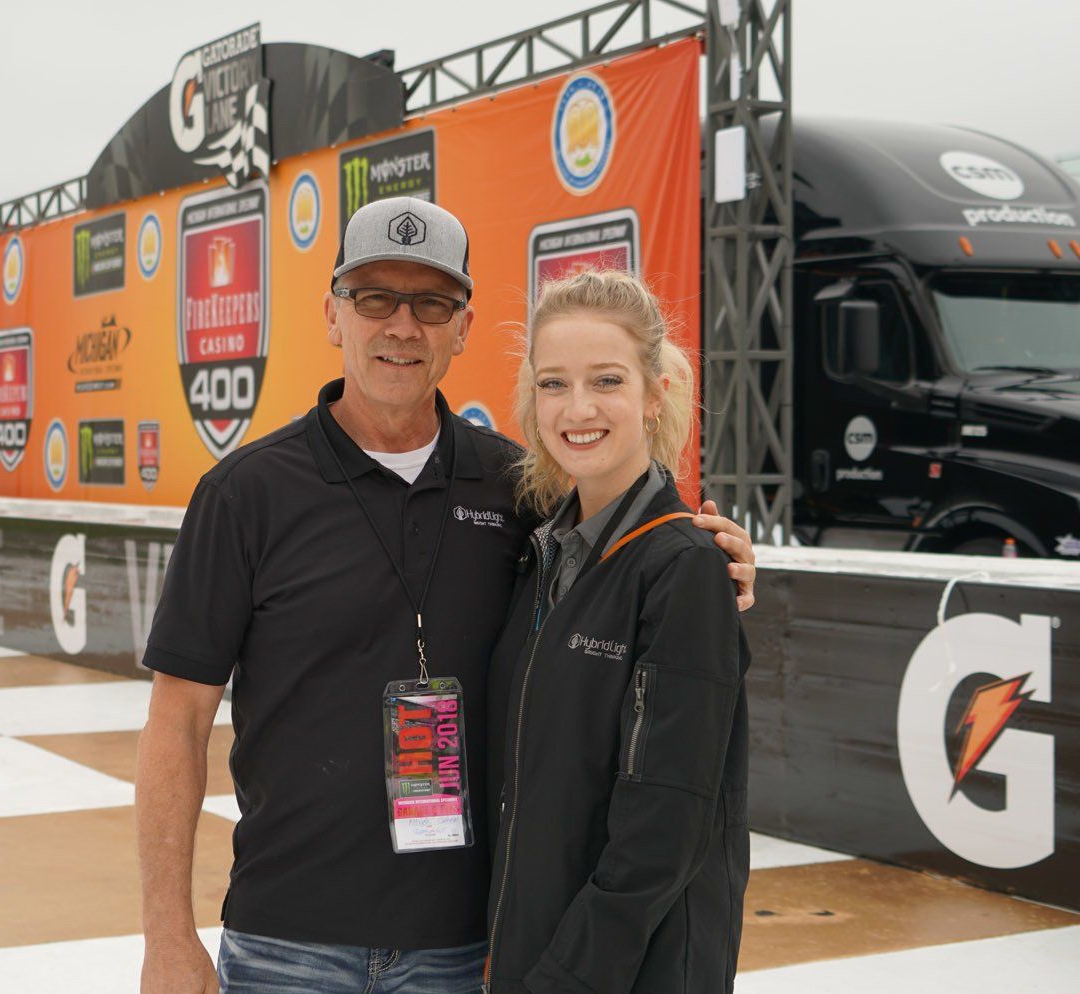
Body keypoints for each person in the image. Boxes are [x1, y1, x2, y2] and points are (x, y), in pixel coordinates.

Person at [136, 198, 755, 994]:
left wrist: (715, 558)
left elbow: (626, 543)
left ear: (462, 327)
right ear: (333, 315)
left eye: (431, 303)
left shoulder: (520, 490)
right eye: (374, 299)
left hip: (465, 951)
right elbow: (175, 723)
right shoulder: (244, 495)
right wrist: (165, 933)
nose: (402, 326)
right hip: (286, 943)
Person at [483, 270, 751, 994]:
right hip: (532, 954)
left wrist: (567, 976)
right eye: (552, 384)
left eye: (605, 381)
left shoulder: (686, 568)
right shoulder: (544, 552)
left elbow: (667, 826)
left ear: (654, 391)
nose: (577, 409)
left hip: (623, 972)